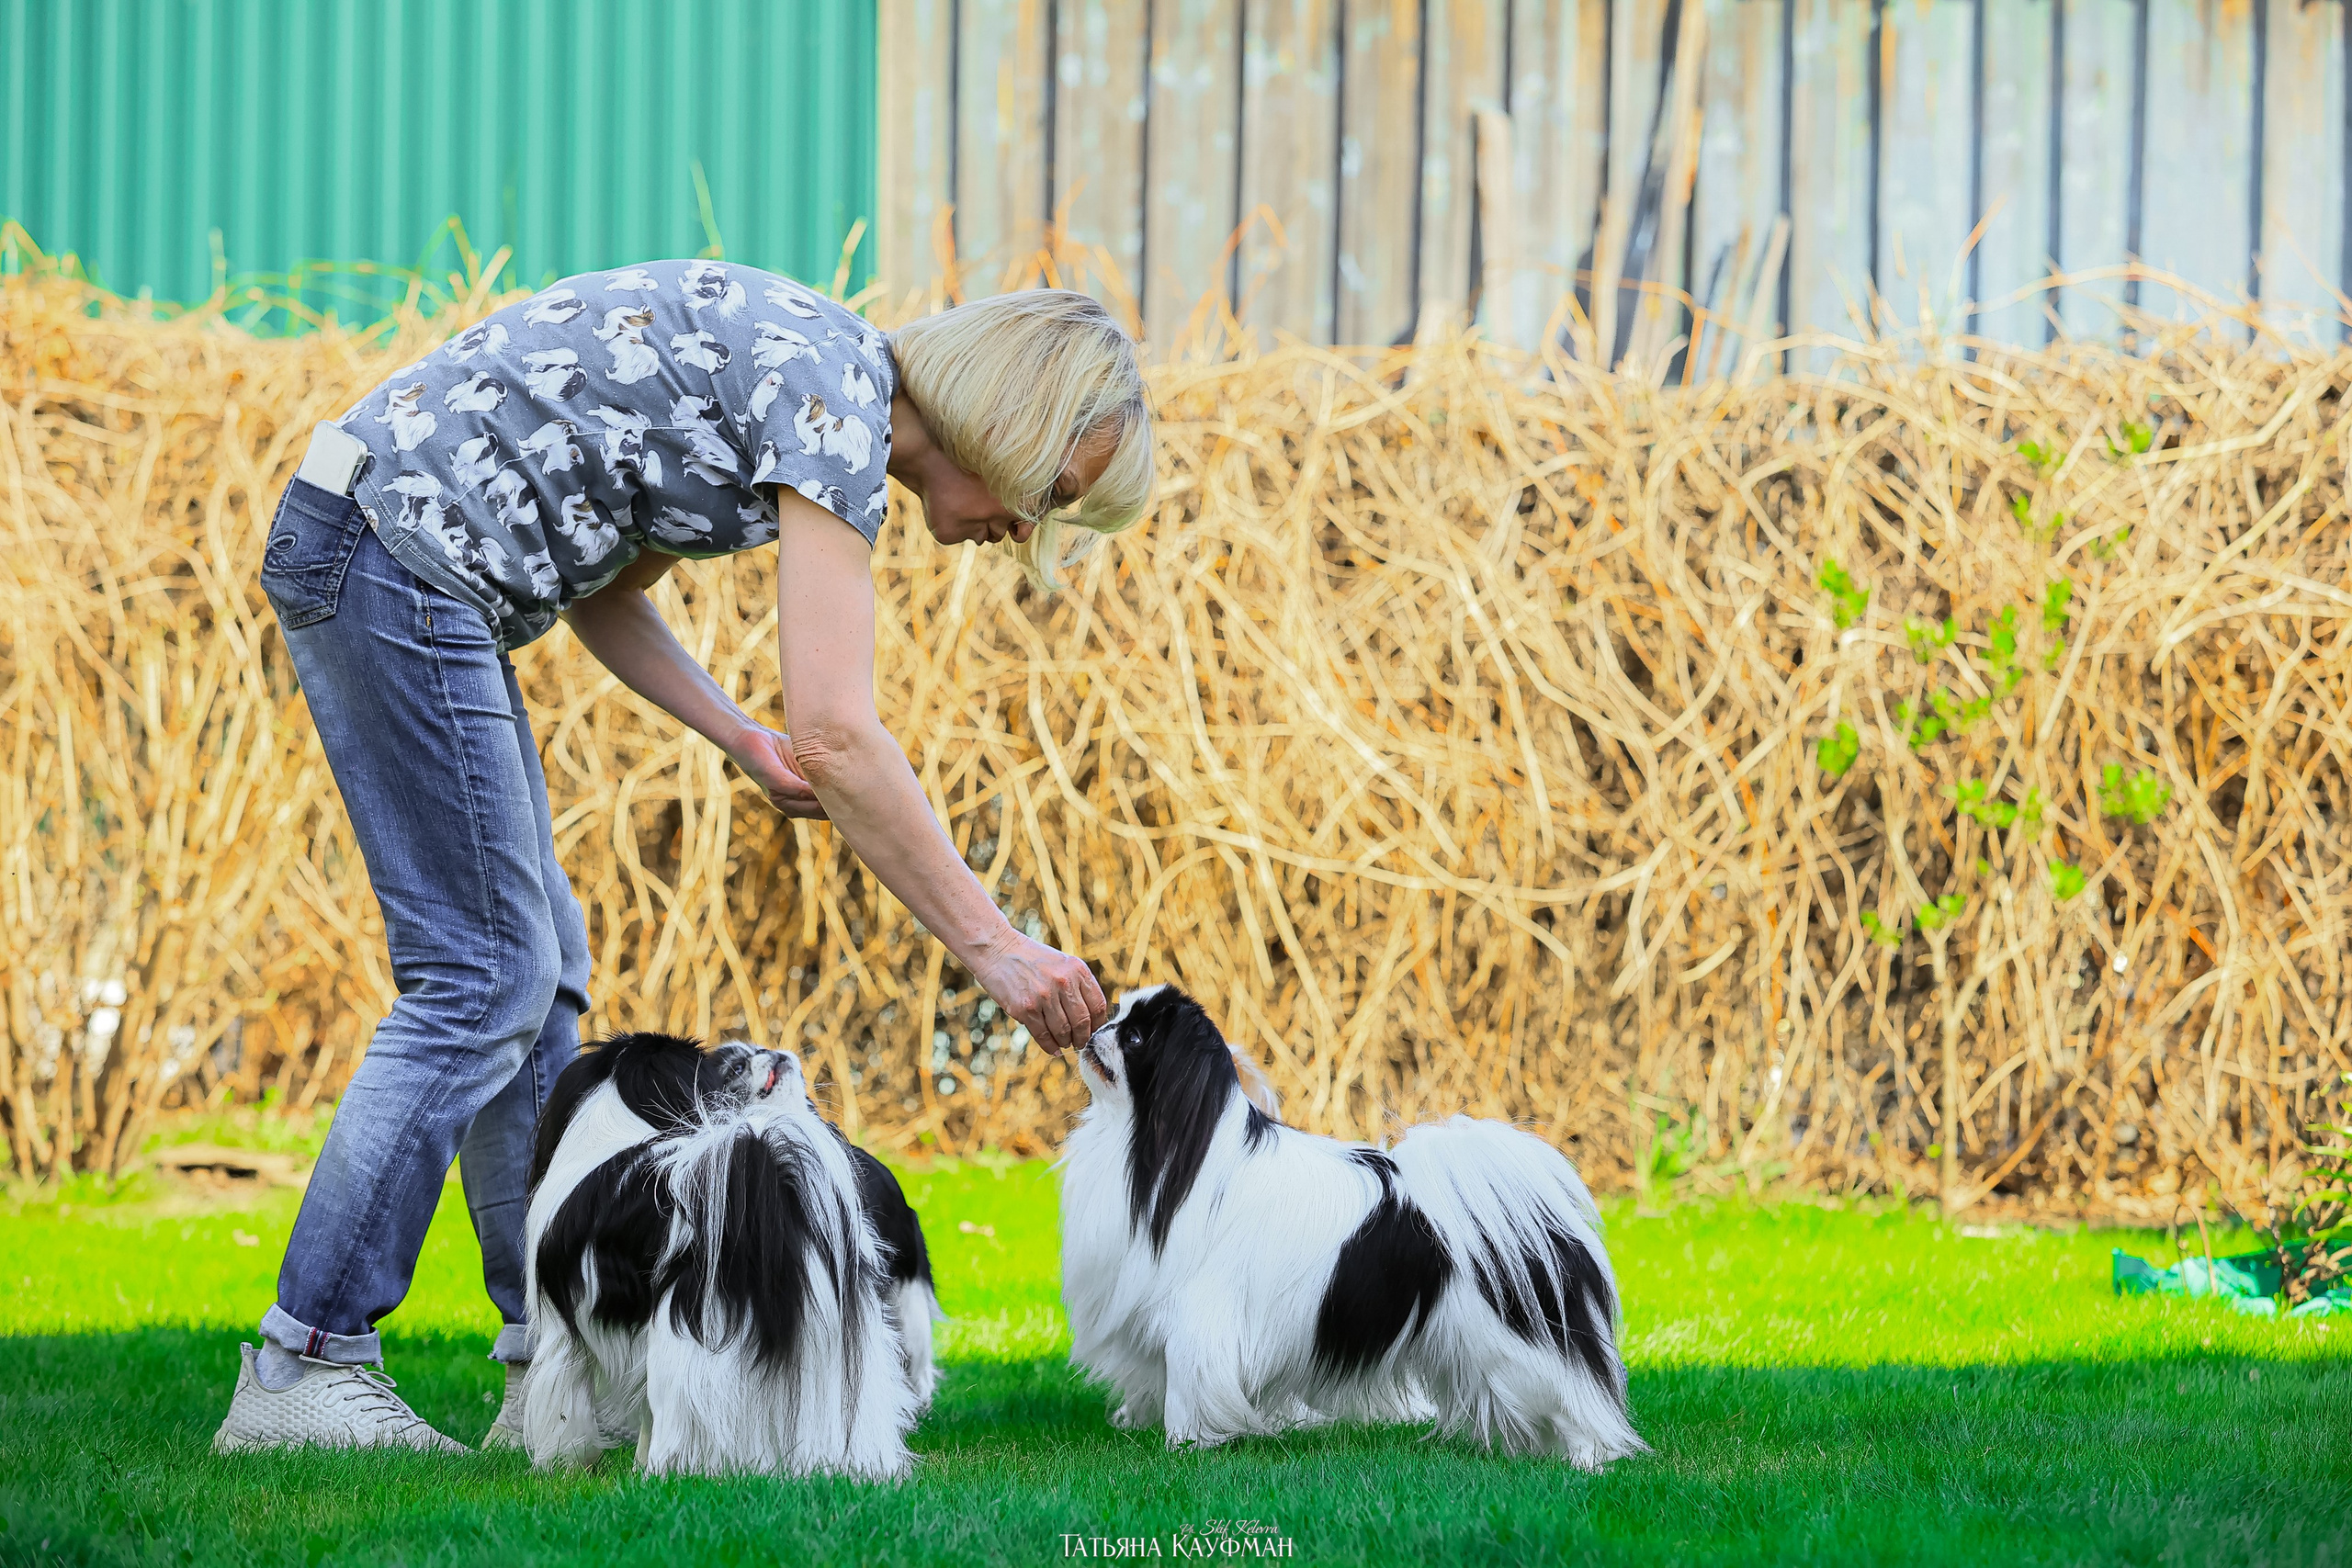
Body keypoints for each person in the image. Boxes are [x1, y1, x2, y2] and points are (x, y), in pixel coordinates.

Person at [213, 262, 1151, 1452]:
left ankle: (547, 1364)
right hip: (393, 558)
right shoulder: (835, 410)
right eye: (1049, 492)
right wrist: (1000, 951)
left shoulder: (823, 380)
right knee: (483, 979)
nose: (1030, 532)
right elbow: (844, 735)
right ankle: (306, 1365)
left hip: (395, 553)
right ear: (1011, 421)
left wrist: (736, 736)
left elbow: (603, 586)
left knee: (535, 969)